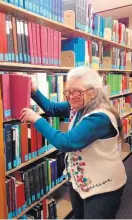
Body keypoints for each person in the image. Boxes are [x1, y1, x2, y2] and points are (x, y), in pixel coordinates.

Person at [20, 67, 127, 219]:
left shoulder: (99, 117)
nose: (70, 97)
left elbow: (66, 142)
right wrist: (34, 90)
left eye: (76, 91)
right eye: (68, 92)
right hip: (81, 181)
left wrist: (37, 120)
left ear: (94, 91)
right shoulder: (80, 106)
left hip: (103, 187)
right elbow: (52, 108)